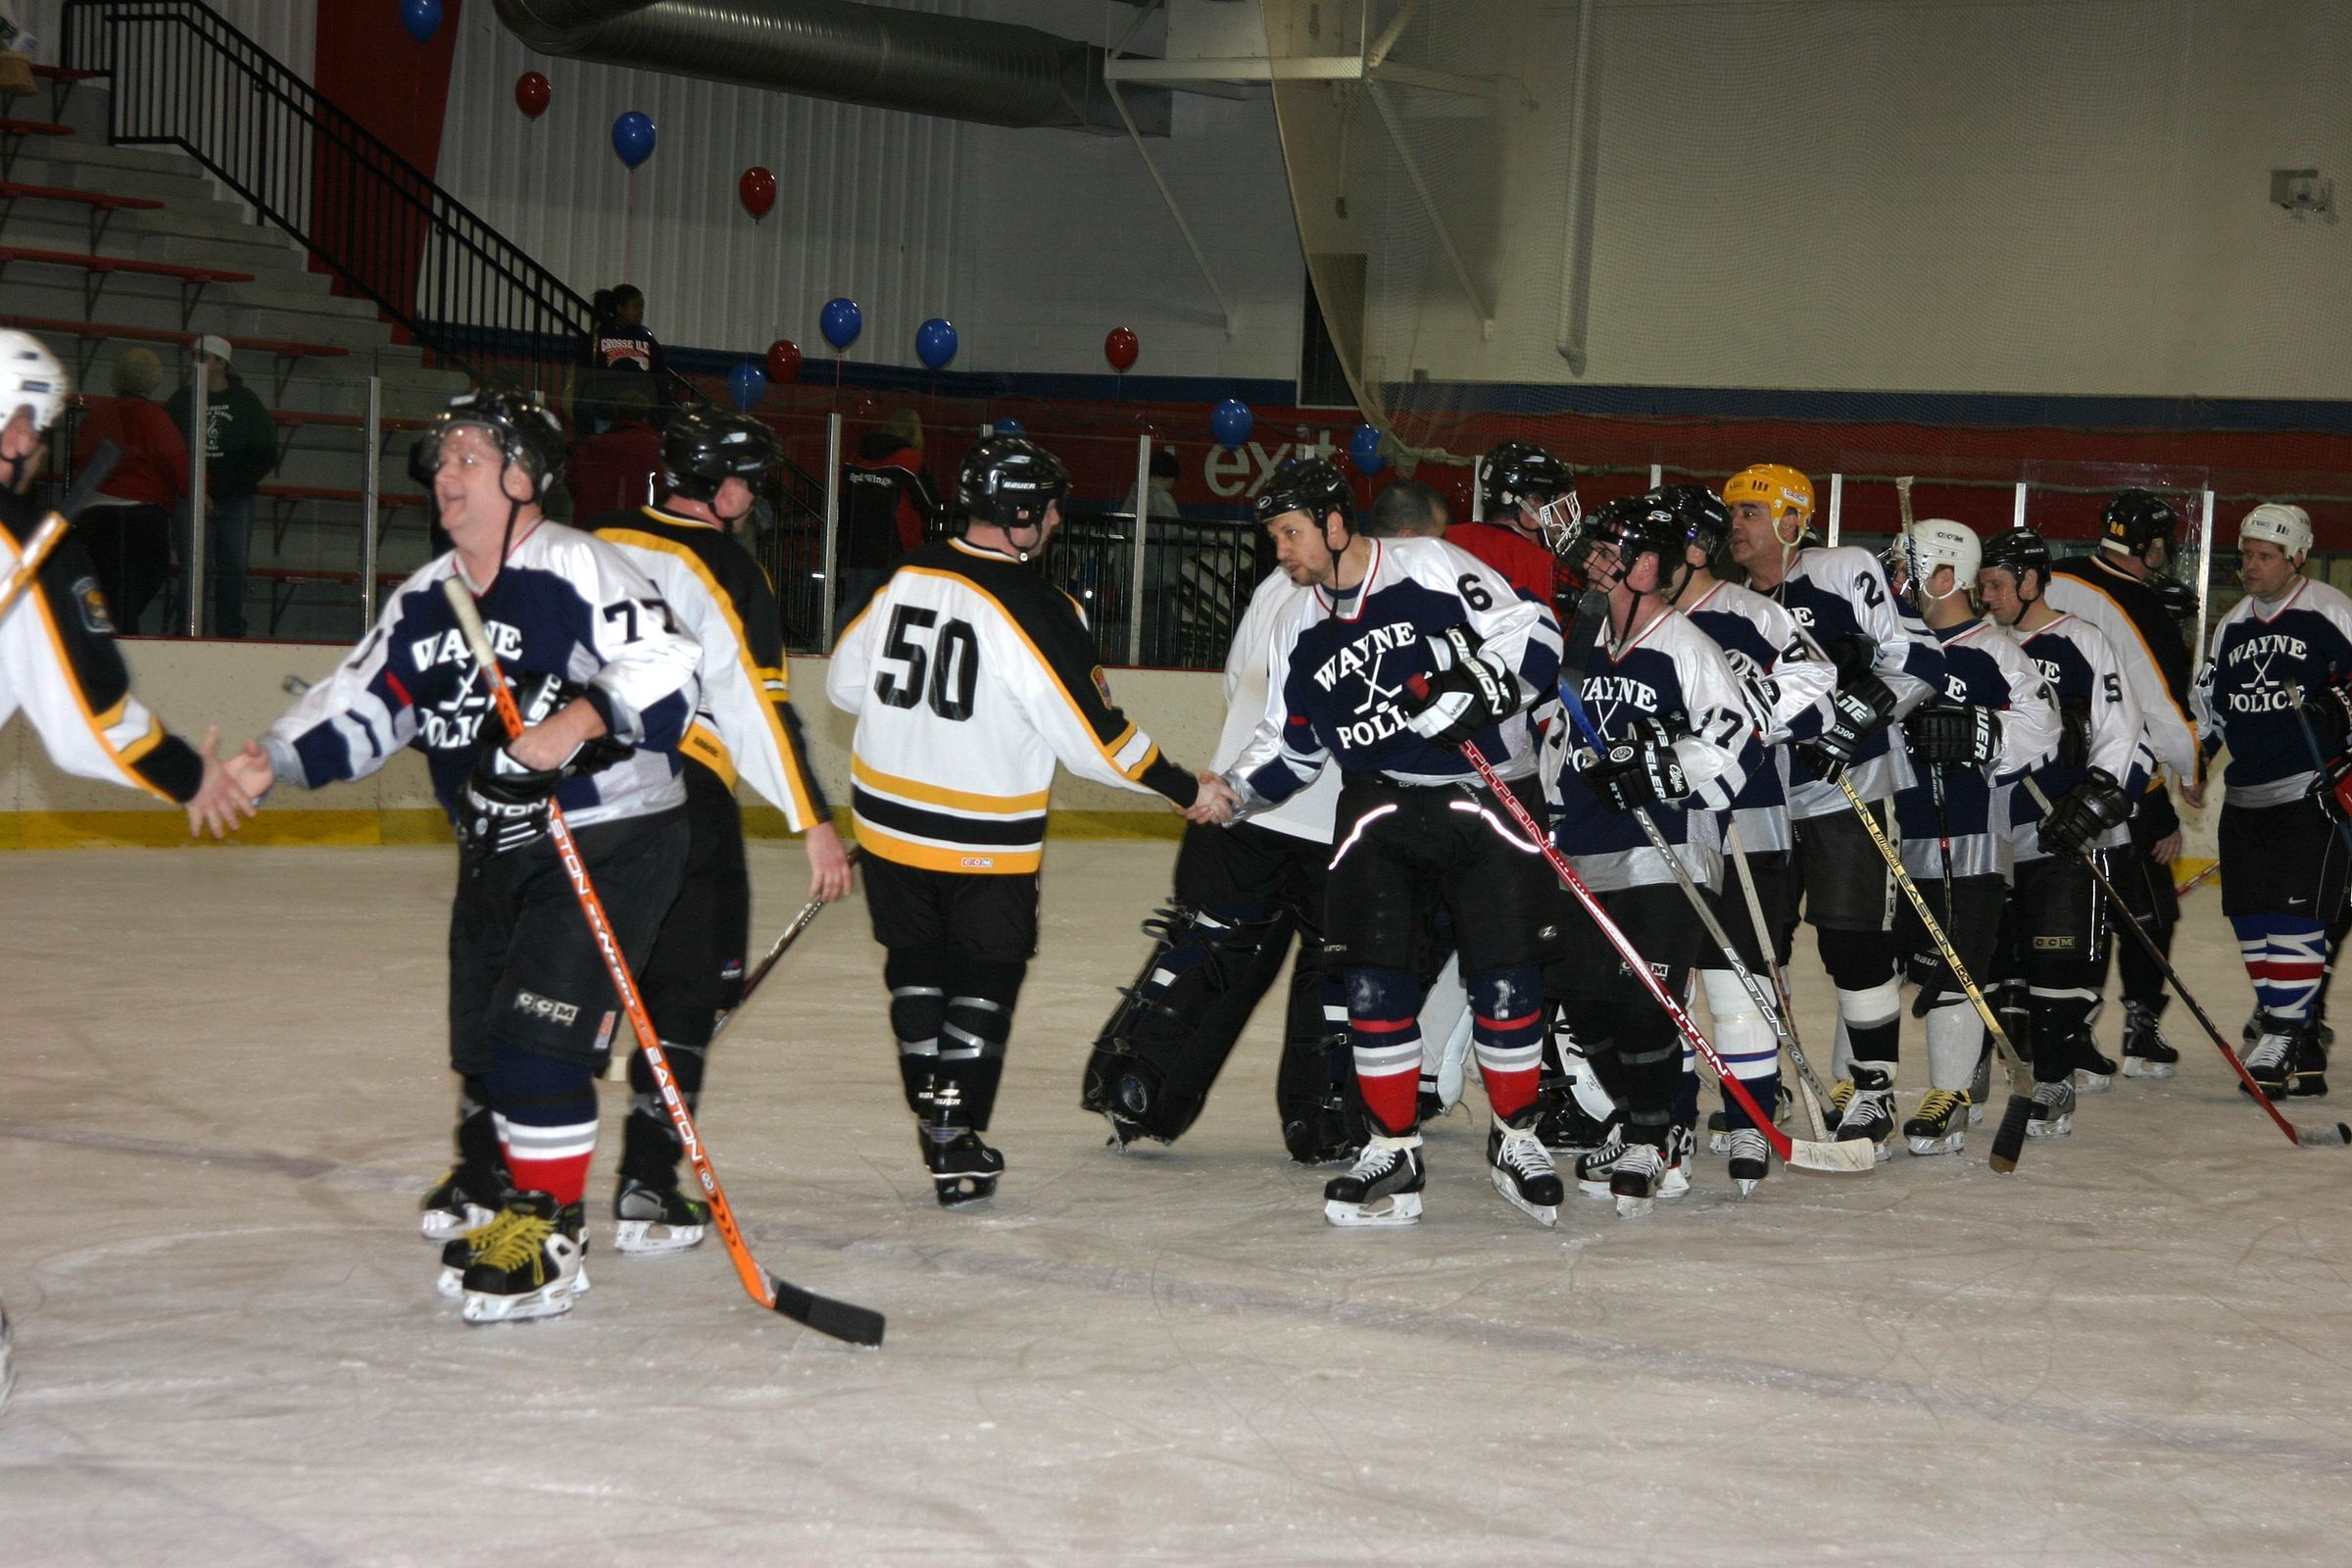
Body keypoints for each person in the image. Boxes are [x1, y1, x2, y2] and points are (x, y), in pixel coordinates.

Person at [222, 388, 702, 1324]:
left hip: (609, 836)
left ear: (523, 477)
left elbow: (673, 668)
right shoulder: (428, 596)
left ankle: (552, 1233)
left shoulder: (575, 566)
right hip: (498, 848)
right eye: (442, 460)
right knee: (488, 1046)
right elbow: (364, 702)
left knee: (538, 1038)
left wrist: (571, 723)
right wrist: (274, 759)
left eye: (469, 458)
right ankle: (527, 1201)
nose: (446, 475)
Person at [828, 433, 1216, 1208]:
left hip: (887, 826)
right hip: (984, 838)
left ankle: (932, 1112)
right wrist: (1183, 788)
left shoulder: (907, 573)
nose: (1058, 519)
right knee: (984, 978)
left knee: (914, 968)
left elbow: (843, 686)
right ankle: (953, 1126)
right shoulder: (1038, 606)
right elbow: (1097, 741)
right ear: (1022, 515)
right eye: (1050, 508)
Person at [0, 330, 250, 1413]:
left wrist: (188, 771)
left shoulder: (29, 543)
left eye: (37, 425)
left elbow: (79, 716)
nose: (28, 441)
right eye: (18, 417)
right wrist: (190, 773)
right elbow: (89, 719)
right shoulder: (24, 543)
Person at [1222, 459, 1567, 1227]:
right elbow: (1291, 747)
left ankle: (1517, 1137)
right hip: (1378, 804)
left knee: (1506, 977)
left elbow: (1534, 630)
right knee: (1373, 983)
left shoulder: (1429, 564)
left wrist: (1482, 689)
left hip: (1485, 795)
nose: (1281, 550)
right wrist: (1234, 791)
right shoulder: (1296, 620)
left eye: (1291, 533)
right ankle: (1393, 1147)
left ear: (1334, 524)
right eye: (1275, 536)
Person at [1079, 472, 1452, 1161]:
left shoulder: (1280, 585)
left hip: (1243, 807)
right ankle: (1324, 1124)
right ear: (1408, 537)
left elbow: (1237, 682)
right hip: (1340, 824)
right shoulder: (1410, 594)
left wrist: (1236, 779)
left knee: (1212, 954)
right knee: (1335, 975)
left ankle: (1136, 1090)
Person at [583, 405, 854, 1253]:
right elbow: (756, 707)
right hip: (678, 795)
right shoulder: (728, 567)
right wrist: (812, 820)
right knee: (686, 992)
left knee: (564, 983)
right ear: (725, 486)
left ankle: (502, 1178)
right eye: (751, 481)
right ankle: (646, 1183)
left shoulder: (592, 540)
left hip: (574, 789)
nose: (755, 496)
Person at [1723, 462, 1945, 1156]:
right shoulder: (1729, 604)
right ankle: (1766, 1082)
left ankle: (1873, 1087)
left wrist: (1855, 717)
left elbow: (1920, 659)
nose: (1736, 525)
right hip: (1761, 798)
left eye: (1751, 512)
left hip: (1848, 788)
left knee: (1853, 941)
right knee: (1760, 945)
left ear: (1794, 520)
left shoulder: (1844, 569)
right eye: (1732, 513)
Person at [1544, 493, 1751, 1212]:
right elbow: (1562, 738)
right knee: (1581, 999)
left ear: (1648, 566)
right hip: (1587, 845)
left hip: (1666, 851)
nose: (1596, 561)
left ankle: (1652, 1136)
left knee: (1643, 1001)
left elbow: (1734, 743)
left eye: (1613, 550)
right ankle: (1640, 1120)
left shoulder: (1686, 645)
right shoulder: (1584, 642)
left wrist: (1661, 768)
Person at [1657, 483, 1836, 1189]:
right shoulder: (1633, 622)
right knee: (1666, 985)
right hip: (1664, 830)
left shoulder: (1751, 613)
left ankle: (1750, 1120)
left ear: (1693, 552)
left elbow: (1818, 688)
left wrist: (1750, 706)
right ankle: (1669, 1117)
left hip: (1746, 821)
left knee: (1737, 987)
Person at [1885, 519, 2058, 1153]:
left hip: (1970, 837)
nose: (1896, 582)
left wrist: (1983, 734)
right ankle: (1863, 1088)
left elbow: (2044, 726)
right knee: (1877, 966)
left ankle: (1952, 1093)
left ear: (1945, 576)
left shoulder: (1995, 651)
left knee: (1954, 966)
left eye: (1907, 569)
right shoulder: (1896, 647)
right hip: (1891, 837)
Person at [1978, 525, 2148, 1137]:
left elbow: (2122, 728)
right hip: (1992, 829)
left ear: (2030, 581)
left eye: (1997, 584)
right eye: (1982, 585)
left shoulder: (2083, 641)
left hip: (2061, 830)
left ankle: (2054, 1076)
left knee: (2056, 957)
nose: (1986, 596)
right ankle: (1979, 1068)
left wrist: (2097, 798)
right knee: (1993, 959)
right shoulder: (1979, 644)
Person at [2191, 503, 2352, 1099]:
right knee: (2252, 921)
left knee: (2295, 919)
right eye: (2246, 555)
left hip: (2310, 793)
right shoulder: (2232, 625)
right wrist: (2197, 760)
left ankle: (2284, 1033)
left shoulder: (2330, 611)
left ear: (2297, 558)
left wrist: (2339, 707)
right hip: (2246, 797)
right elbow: (2211, 707)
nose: (2251, 566)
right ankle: (2290, 1037)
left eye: (2265, 556)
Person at [2045, 490, 2200, 1078]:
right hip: (2121, 783)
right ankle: (2141, 1027)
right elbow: (2161, 711)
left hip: (2046, 775)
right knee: (2147, 911)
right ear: (2151, 548)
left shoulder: (2054, 575)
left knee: (2066, 910)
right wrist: (2188, 773)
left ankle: (2066, 1030)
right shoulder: (2142, 606)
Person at [164, 334, 276, 638]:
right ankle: (189, 633)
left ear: (221, 363)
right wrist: (195, 489)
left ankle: (231, 636)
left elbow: (264, 453)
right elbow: (169, 451)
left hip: (232, 498)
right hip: (194, 496)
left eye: (202, 357)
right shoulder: (181, 401)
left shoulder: (245, 402)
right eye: (194, 356)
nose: (195, 363)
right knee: (194, 570)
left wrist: (219, 489)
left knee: (234, 569)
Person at [72, 347, 187, 633]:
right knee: (135, 588)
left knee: (109, 589)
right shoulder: (154, 418)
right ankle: (121, 638)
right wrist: (198, 491)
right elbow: (175, 460)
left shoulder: (98, 416)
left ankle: (109, 635)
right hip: (140, 513)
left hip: (95, 513)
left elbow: (82, 460)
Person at [838, 409, 941, 615]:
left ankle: (835, 633)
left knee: (856, 604)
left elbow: (843, 498)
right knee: (884, 608)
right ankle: (833, 635)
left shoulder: (857, 458)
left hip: (855, 545)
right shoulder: (909, 461)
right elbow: (930, 503)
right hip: (894, 546)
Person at [1448, 439, 1572, 607]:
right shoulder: (1545, 567)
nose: (1566, 519)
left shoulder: (1444, 538)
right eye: (1561, 507)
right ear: (1532, 505)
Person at [577, 284, 666, 434]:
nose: (640, 312)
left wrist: (661, 407)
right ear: (620, 309)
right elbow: (584, 374)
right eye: (635, 307)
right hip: (606, 408)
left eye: (642, 307)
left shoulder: (647, 339)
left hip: (640, 410)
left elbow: (660, 374)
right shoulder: (597, 337)